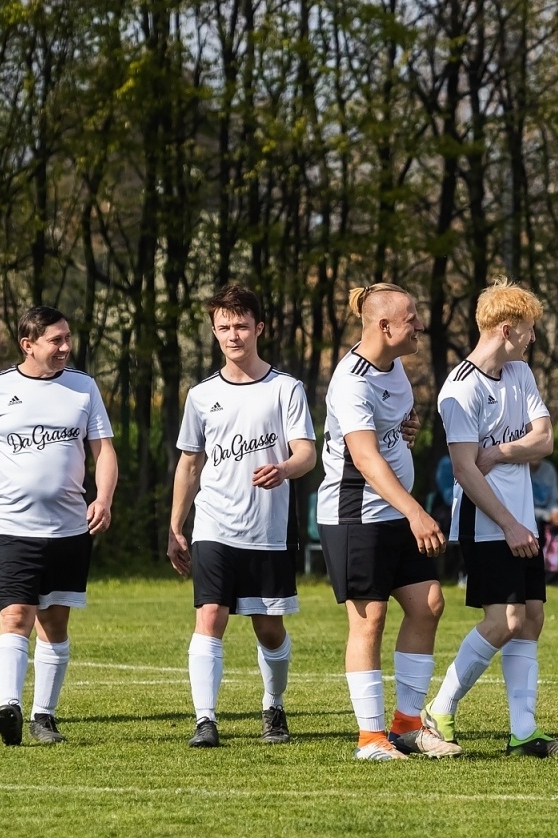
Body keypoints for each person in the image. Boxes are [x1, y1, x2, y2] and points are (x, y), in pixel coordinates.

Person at [424, 281, 558, 757]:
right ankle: (439, 709)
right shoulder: (461, 387)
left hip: (521, 523)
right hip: (487, 523)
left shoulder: (519, 373)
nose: (534, 338)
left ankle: (524, 732)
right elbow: (463, 469)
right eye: (529, 329)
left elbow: (545, 441)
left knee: (531, 617)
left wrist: (497, 452)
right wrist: (509, 524)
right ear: (506, 328)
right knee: (505, 620)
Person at [0, 306, 118, 746]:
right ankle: (10, 707)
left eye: (67, 338)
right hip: (12, 527)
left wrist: (103, 497)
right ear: (28, 345)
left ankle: (44, 716)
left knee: (54, 625)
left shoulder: (83, 388)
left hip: (69, 530)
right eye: (55, 340)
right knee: (15, 616)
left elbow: (104, 450)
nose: (65, 347)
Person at [168, 284, 316, 748]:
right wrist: (175, 525)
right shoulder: (201, 395)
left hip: (268, 530)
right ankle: (205, 720)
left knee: (269, 629)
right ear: (214, 332)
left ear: (259, 328)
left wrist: (284, 469)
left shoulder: (286, 389)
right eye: (224, 327)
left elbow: (307, 453)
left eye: (242, 326)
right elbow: (190, 463)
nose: (233, 335)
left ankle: (273, 705)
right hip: (214, 525)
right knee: (210, 614)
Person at [319, 282, 459, 761]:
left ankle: (407, 727)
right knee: (370, 618)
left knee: (428, 604)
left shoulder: (393, 366)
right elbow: (364, 458)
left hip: (393, 511)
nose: (420, 325)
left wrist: (407, 427)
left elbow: (391, 429)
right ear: (384, 326)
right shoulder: (351, 381)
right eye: (411, 317)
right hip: (355, 514)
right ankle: (370, 739)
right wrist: (416, 511)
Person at [529, 455, 558, 524]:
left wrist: (556, 512)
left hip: (549, 514)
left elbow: (554, 500)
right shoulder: (519, 470)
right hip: (528, 518)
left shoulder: (549, 469)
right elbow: (521, 508)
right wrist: (546, 515)